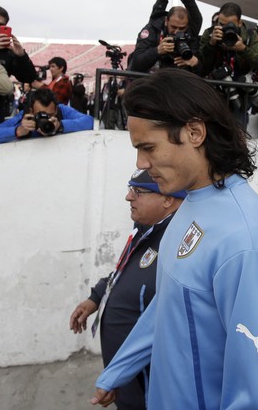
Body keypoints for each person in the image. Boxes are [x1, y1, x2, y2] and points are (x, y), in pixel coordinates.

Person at [91, 68, 258, 409]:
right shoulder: (190, 204)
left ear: (195, 132)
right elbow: (167, 305)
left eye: (148, 148)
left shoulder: (248, 243)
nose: (141, 164)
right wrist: (119, 371)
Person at [70, 169, 185, 409]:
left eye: (139, 191)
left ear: (167, 199)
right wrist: (96, 297)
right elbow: (124, 271)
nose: (128, 197)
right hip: (127, 380)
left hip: (148, 385)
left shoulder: (177, 247)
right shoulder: (145, 229)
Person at [127, 0, 203, 75]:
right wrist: (157, 51)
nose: (177, 31)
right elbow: (136, 64)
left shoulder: (191, 33)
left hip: (179, 83)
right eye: (174, 27)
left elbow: (203, 71)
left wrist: (195, 63)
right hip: (151, 82)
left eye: (182, 28)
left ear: (187, 25)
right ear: (166, 21)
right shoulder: (153, 29)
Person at [0, 88, 92, 145]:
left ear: (56, 110)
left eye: (50, 115)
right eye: (41, 115)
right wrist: (17, 131)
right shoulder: (24, 117)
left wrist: (61, 125)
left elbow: (89, 121)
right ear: (32, 111)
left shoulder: (63, 110)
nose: (46, 119)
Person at [199, 2, 258, 78]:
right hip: (214, 81)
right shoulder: (209, 33)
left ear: (239, 23)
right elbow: (201, 64)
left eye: (230, 25)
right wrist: (211, 44)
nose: (225, 28)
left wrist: (243, 49)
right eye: (221, 24)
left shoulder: (249, 35)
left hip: (239, 83)